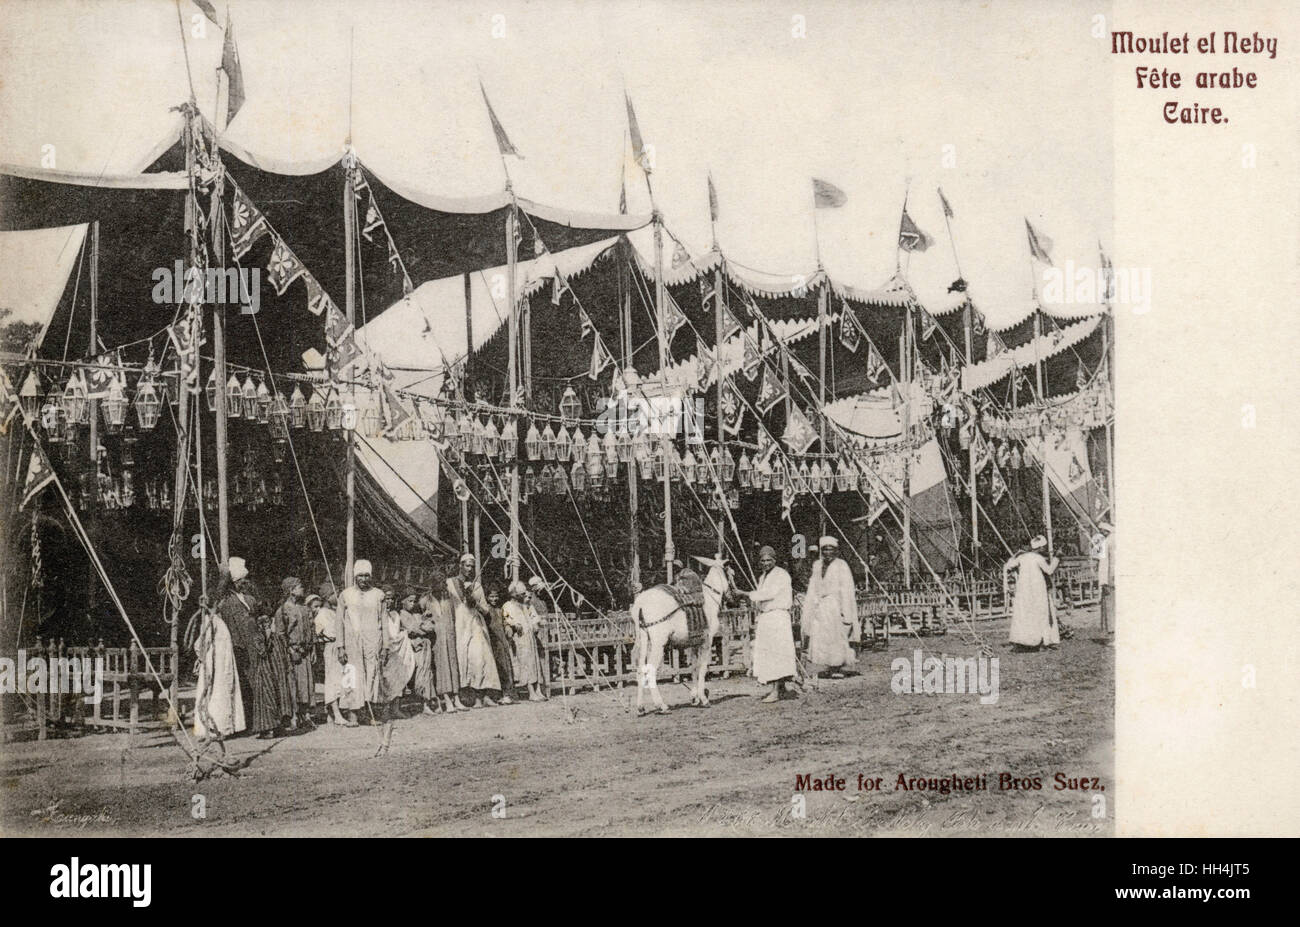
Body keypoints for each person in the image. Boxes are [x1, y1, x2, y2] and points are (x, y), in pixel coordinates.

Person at [446, 553, 501, 707]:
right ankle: (467, 697)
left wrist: (474, 602)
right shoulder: (450, 584)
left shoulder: (476, 586)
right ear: (460, 566)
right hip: (459, 627)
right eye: (467, 565)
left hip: (476, 626)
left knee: (480, 659)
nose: (469, 569)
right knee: (464, 661)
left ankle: (482, 697)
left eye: (472, 566)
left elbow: (485, 610)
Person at [747, 545, 797, 703]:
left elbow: (768, 594)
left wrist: (747, 594)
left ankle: (776, 690)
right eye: (763, 561)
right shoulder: (763, 577)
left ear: (774, 560)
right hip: (767, 618)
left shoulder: (781, 575)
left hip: (777, 617)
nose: (766, 563)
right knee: (770, 653)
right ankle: (781, 688)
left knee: (776, 653)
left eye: (769, 560)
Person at [803, 536, 858, 677]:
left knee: (836, 637)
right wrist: (811, 604)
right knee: (822, 636)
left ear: (836, 551)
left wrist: (846, 612)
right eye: (825, 549)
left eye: (831, 549)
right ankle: (828, 664)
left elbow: (846, 590)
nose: (827, 552)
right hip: (820, 606)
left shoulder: (841, 565)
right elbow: (813, 586)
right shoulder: (817, 565)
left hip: (834, 605)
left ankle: (837, 665)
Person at [338, 559, 386, 722]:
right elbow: (339, 622)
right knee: (352, 674)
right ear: (355, 577)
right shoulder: (346, 595)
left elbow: (384, 622)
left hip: (373, 641)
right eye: (360, 576)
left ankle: (369, 713)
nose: (364, 579)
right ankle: (353, 714)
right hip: (352, 642)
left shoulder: (379, 595)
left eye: (367, 576)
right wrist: (340, 646)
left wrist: (385, 645)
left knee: (371, 675)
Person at [193, 596, 246, 739]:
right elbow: (204, 641)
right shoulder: (210, 620)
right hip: (215, 661)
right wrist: (200, 655)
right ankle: (214, 728)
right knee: (216, 692)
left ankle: (222, 727)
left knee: (222, 692)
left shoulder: (218, 620)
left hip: (223, 661)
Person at [1004, 535, 1061, 650]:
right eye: (1043, 547)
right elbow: (1049, 570)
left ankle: (1024, 640)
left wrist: (1016, 555)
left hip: (1024, 590)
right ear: (1040, 548)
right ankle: (1042, 640)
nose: (1044, 549)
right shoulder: (1038, 558)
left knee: (1025, 614)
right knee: (1041, 613)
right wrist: (1057, 558)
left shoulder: (1022, 557)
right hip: (1037, 590)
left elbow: (1008, 565)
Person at [273, 576, 313, 729]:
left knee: (306, 685)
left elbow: (311, 629)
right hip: (291, 653)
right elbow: (280, 634)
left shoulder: (304, 608)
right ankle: (294, 716)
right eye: (299, 587)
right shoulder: (282, 610)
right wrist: (288, 650)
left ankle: (306, 714)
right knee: (292, 685)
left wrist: (312, 649)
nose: (302, 589)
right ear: (291, 590)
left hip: (305, 652)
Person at [313, 582, 354, 726]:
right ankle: (336, 714)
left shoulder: (336, 611)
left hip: (341, 646)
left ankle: (337, 712)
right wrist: (325, 640)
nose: (337, 595)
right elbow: (315, 634)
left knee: (344, 679)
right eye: (334, 593)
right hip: (331, 648)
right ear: (327, 597)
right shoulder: (323, 614)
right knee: (332, 680)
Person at [421, 588, 467, 712]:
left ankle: (456, 698)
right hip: (437, 638)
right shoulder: (426, 600)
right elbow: (422, 618)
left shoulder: (448, 598)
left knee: (453, 665)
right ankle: (446, 698)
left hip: (450, 635)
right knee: (442, 668)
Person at [504, 580, 548, 701]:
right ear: (514, 594)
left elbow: (532, 617)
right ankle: (531, 691)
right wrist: (513, 624)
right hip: (520, 637)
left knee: (534, 662)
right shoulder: (508, 605)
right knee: (525, 663)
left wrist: (535, 624)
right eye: (521, 594)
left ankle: (538, 689)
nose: (523, 596)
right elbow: (507, 617)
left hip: (529, 636)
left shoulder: (524, 606)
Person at [378, 585, 417, 719]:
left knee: (398, 678)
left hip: (398, 651)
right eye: (386, 598)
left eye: (391, 598)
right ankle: (385, 710)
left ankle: (396, 708)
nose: (388, 601)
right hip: (386, 649)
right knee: (386, 681)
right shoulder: (378, 614)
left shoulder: (396, 614)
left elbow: (400, 630)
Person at [398, 588, 438, 716]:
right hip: (415, 648)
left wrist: (423, 624)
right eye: (409, 601)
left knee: (427, 673)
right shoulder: (402, 615)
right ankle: (417, 703)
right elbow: (414, 629)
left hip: (424, 647)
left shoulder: (415, 615)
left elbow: (430, 626)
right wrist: (422, 626)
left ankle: (426, 703)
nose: (412, 604)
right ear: (403, 601)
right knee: (419, 674)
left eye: (414, 601)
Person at [484, 587, 517, 704]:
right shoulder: (486, 609)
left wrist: (508, 626)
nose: (494, 599)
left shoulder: (500, 609)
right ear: (487, 597)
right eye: (491, 597)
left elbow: (505, 621)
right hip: (492, 641)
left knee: (505, 665)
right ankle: (495, 695)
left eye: (496, 596)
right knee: (496, 667)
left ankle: (507, 693)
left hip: (502, 640)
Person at [1095, 521, 1115, 637]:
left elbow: (1103, 564)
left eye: (1102, 530)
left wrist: (1103, 582)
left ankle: (1112, 632)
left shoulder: (1106, 542)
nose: (1101, 532)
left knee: (1110, 605)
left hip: (1110, 579)